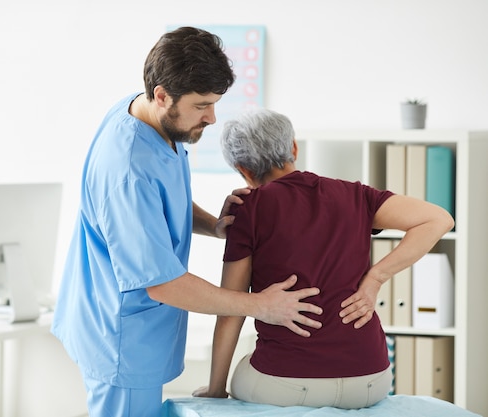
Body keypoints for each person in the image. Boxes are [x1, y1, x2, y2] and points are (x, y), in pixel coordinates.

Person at [51, 28, 323, 417]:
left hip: (135, 326)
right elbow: (162, 284)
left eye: (214, 104)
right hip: (121, 339)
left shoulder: (152, 117)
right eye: (202, 106)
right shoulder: (127, 168)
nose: (212, 118)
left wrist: (214, 225)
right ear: (162, 95)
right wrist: (260, 305)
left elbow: (161, 200)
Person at [193, 109, 455, 409]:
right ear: (293, 147)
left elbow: (231, 309)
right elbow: (438, 219)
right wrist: (376, 277)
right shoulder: (354, 195)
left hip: (288, 384)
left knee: (244, 368)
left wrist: (215, 389)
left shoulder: (246, 208)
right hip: (371, 380)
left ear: (243, 170)